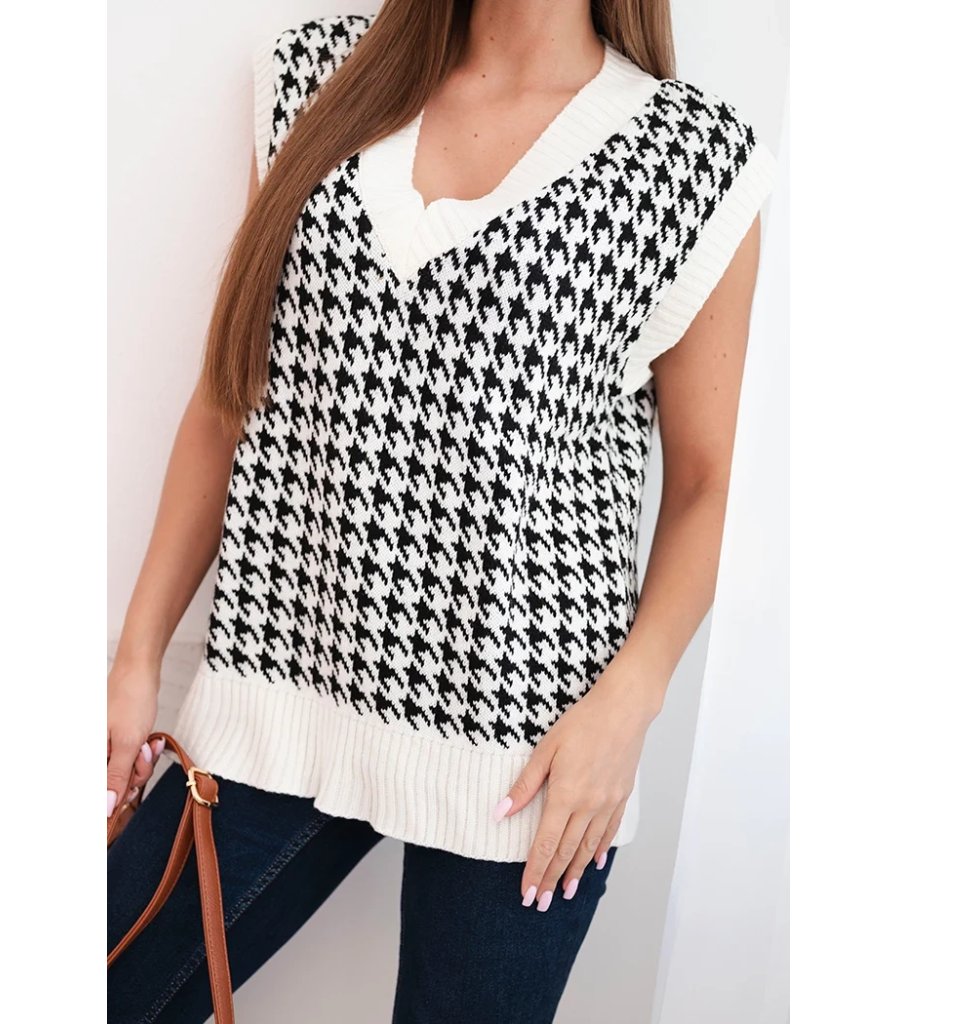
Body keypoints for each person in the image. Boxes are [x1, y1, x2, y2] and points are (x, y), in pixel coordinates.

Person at [107, 2, 777, 1021]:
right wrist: (137, 657)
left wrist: (626, 707)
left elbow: (703, 486)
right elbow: (228, 392)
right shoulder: (317, 78)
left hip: (533, 751)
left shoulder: (692, 163)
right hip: (277, 688)